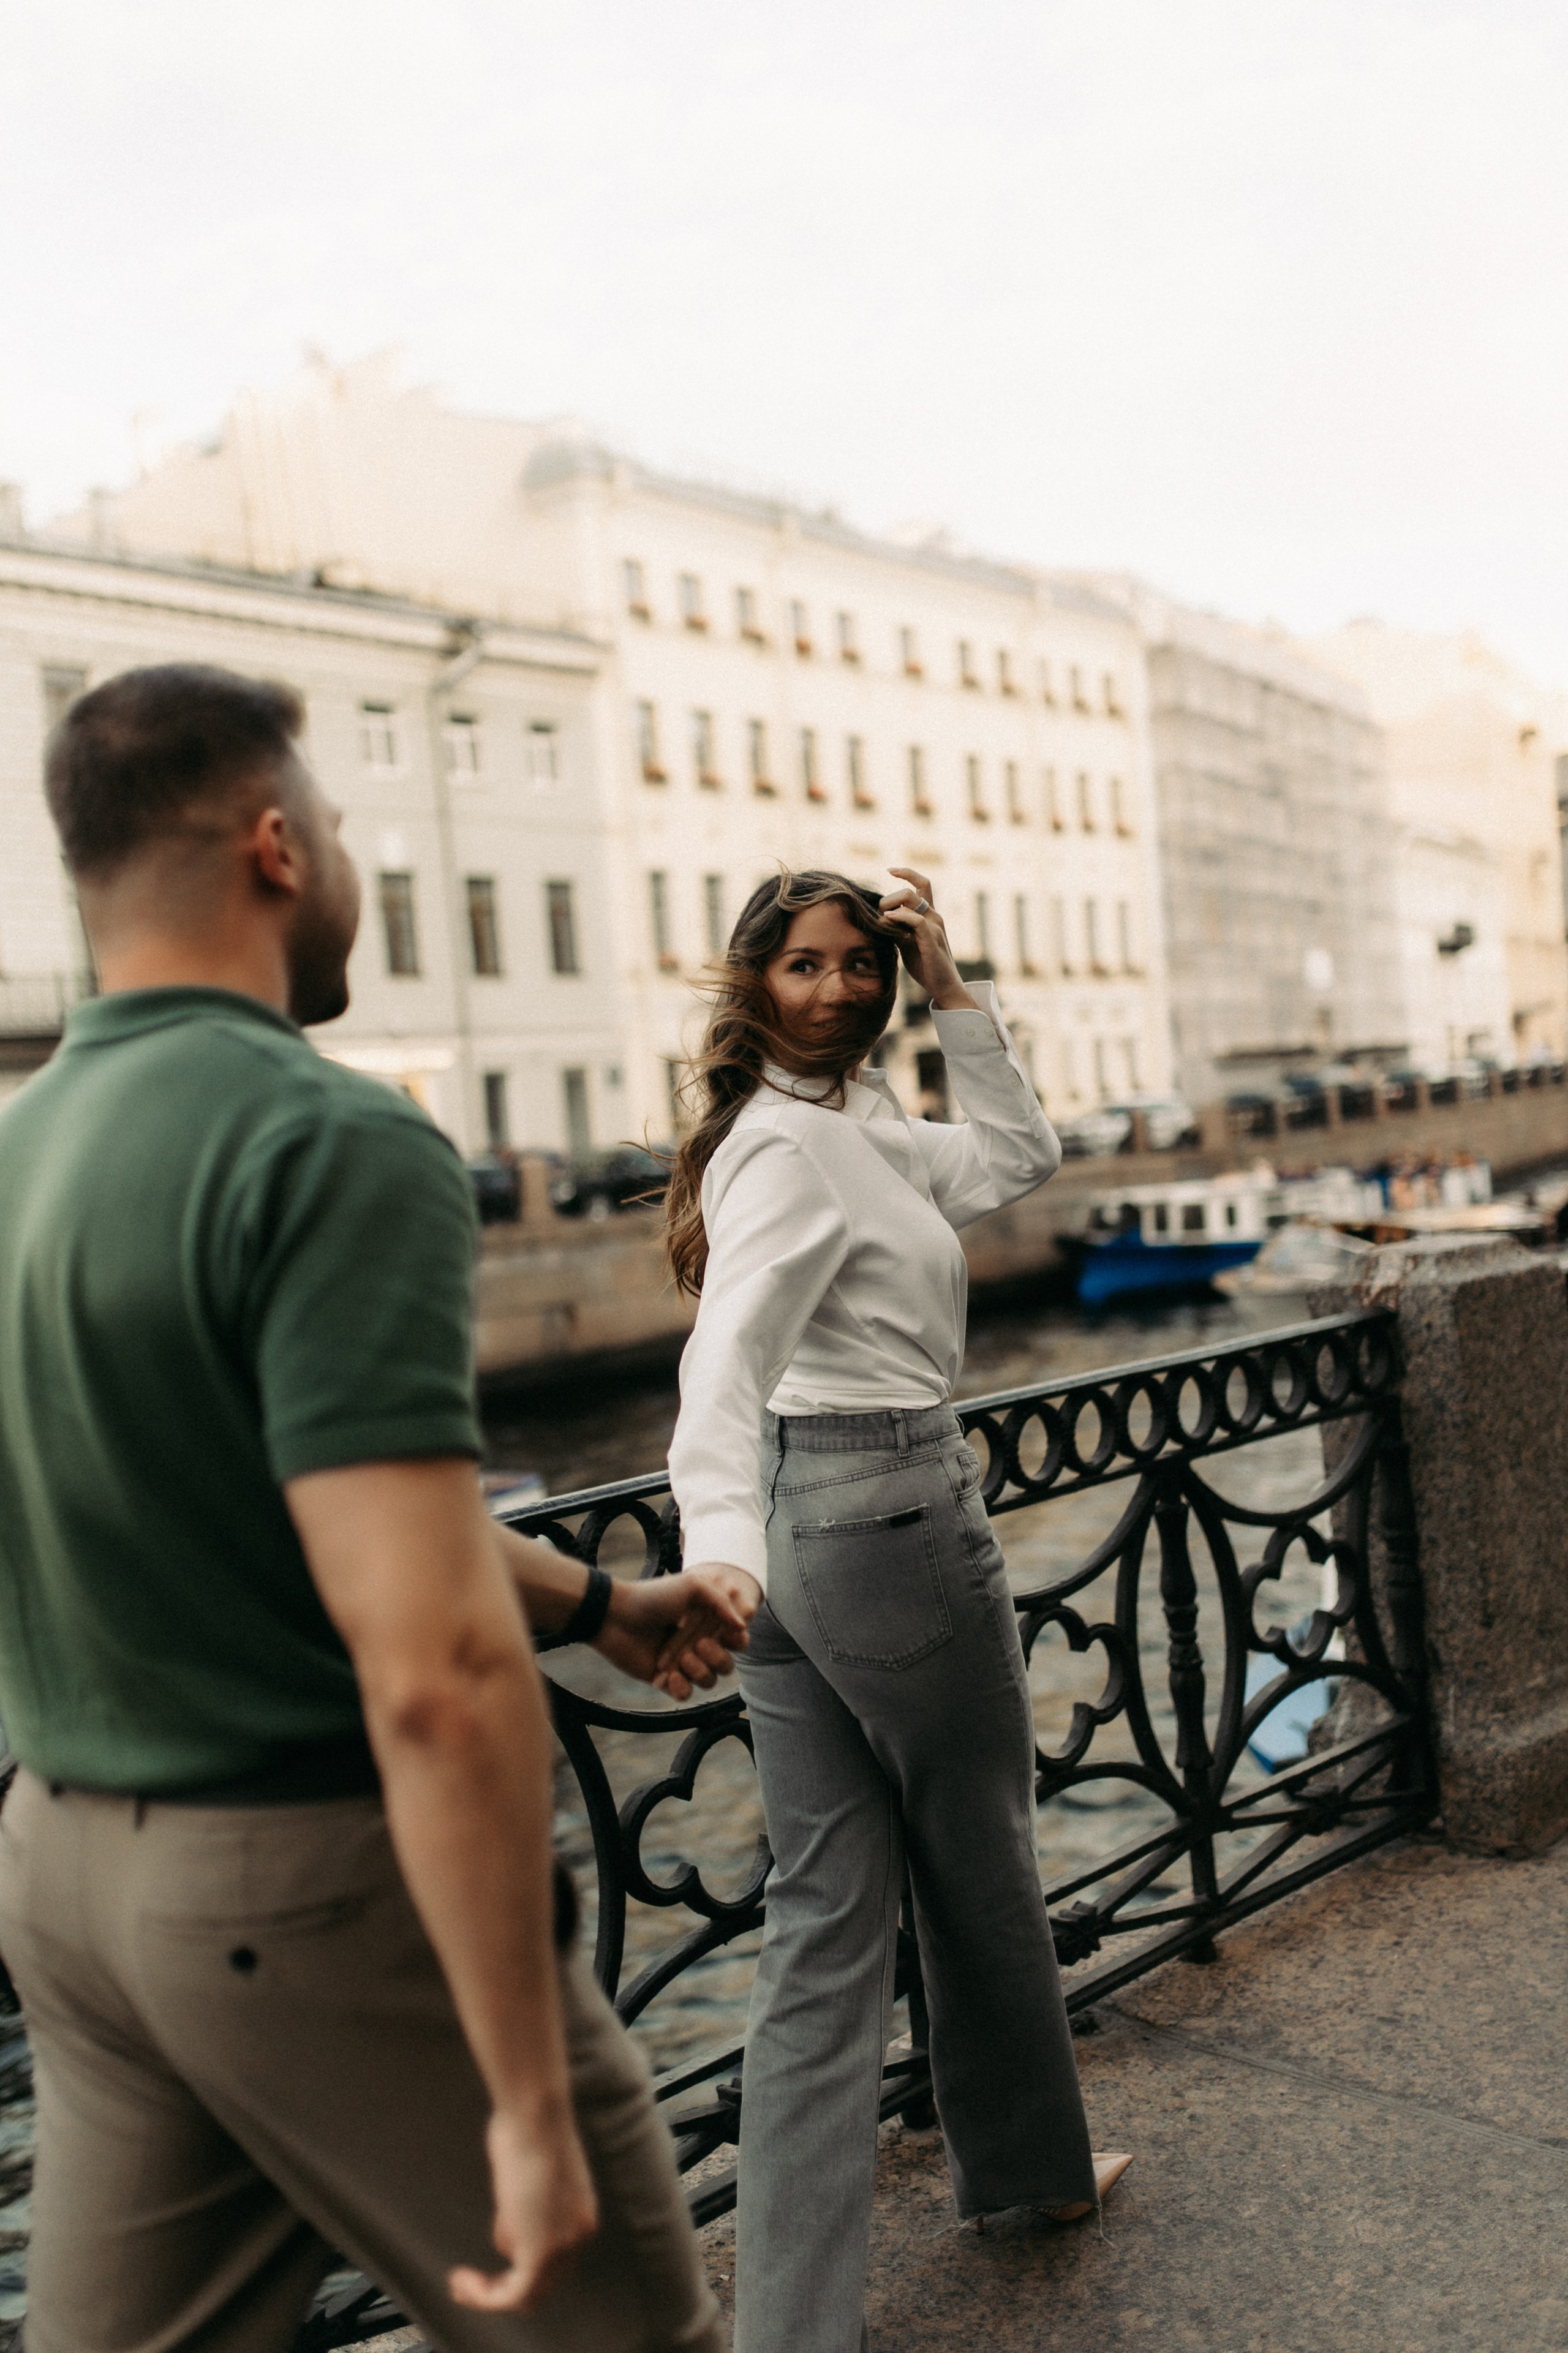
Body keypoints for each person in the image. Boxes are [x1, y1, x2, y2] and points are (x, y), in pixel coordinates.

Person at [0, 663, 754, 2353]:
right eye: (337, 824)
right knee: (620, 2332)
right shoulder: (325, 1141)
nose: (342, 859)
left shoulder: (17, 1150)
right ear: (277, 847)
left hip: (66, 1877)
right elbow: (427, 1677)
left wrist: (589, 1602)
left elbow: (270, 1511)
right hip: (303, 1888)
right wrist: (526, 2101)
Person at [662, 868, 1130, 2353]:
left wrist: (952, 991)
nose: (837, 989)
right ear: (754, 984)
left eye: (861, 964)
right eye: (804, 967)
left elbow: (1014, 1152)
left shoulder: (854, 1128)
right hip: (881, 1521)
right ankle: (1033, 2179)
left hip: (813, 1542)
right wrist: (712, 1555)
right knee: (978, 1854)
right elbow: (718, 1375)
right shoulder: (791, 1150)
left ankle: (788, 2328)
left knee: (819, 1919)